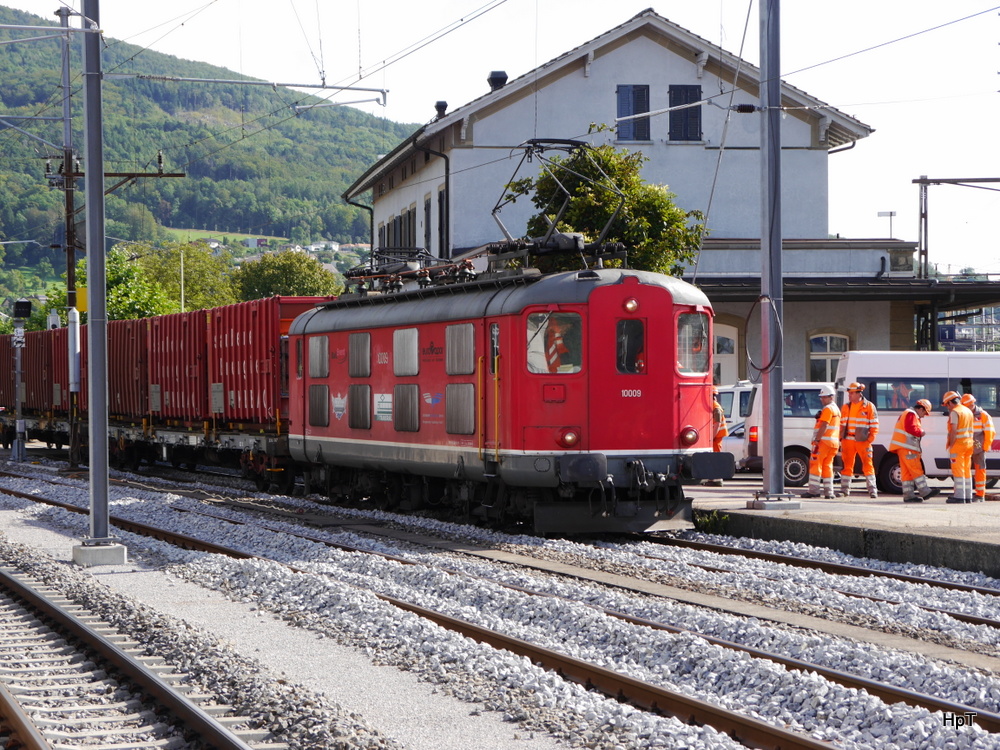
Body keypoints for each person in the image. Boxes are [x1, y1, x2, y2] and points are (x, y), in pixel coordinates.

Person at [889, 398, 939, 502]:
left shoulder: (907, 413)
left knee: (907, 472)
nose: (924, 415)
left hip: (903, 448)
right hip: (908, 448)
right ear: (921, 409)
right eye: (925, 412)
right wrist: (921, 432)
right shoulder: (911, 414)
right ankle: (925, 491)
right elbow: (911, 428)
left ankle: (908, 495)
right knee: (916, 469)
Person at [839, 381, 880, 498]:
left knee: (868, 466)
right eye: (849, 393)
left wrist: (870, 439)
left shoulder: (869, 406)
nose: (849, 395)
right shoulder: (846, 407)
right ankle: (844, 490)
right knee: (847, 466)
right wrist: (841, 439)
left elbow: (875, 424)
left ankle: (872, 490)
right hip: (848, 440)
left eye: (852, 393)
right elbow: (841, 425)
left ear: (859, 393)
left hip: (863, 441)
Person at [802, 384, 840, 499]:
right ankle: (829, 492)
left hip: (823, 442)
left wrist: (817, 440)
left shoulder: (828, 409)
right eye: (821, 397)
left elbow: (824, 425)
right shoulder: (836, 409)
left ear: (831, 397)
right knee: (828, 466)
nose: (822, 399)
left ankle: (813, 491)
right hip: (833, 443)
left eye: (824, 397)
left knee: (815, 465)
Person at [962, 393, 996, 502]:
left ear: (972, 404)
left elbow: (990, 432)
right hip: (966, 447)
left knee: (980, 470)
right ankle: (962, 494)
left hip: (978, 448)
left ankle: (980, 494)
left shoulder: (983, 415)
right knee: (962, 471)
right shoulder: (965, 414)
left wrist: (985, 447)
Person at [942, 390, 975, 503]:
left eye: (947, 405)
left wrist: (951, 444)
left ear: (950, 403)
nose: (947, 408)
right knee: (966, 470)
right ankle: (968, 496)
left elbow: (954, 430)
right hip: (969, 444)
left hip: (959, 445)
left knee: (958, 470)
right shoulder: (968, 411)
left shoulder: (955, 412)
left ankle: (960, 496)